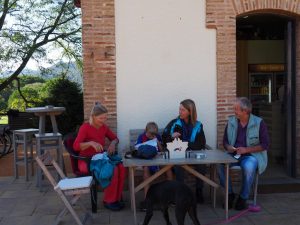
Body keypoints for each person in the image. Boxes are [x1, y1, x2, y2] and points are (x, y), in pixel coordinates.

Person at [218, 97, 269, 210]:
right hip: (233, 154)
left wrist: (246, 150)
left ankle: (243, 197)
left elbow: (265, 145)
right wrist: (229, 147)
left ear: (245, 111)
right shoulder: (231, 121)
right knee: (220, 164)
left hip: (251, 155)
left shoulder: (259, 123)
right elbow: (225, 141)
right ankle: (230, 195)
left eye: (236, 109)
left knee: (249, 167)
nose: (234, 111)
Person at [73, 102, 126, 211]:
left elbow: (115, 138)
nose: (103, 121)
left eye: (105, 118)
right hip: (86, 162)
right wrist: (90, 143)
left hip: (100, 159)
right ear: (93, 117)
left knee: (121, 166)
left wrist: (112, 143)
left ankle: (117, 198)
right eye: (100, 118)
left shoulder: (104, 127)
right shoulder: (85, 127)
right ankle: (109, 201)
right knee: (113, 169)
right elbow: (75, 146)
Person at [162, 99, 206, 203]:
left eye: (183, 110)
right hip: (178, 154)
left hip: (192, 154)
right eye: (179, 109)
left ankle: (199, 191)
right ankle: (180, 192)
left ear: (190, 112)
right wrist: (171, 137)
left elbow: (201, 144)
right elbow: (164, 139)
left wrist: (184, 144)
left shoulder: (198, 125)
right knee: (178, 165)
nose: (180, 112)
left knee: (201, 164)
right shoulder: (174, 123)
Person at [136, 122, 173, 211]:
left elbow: (162, 151)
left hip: (158, 160)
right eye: (150, 134)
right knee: (146, 169)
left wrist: (157, 142)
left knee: (168, 168)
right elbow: (137, 148)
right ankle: (147, 199)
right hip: (146, 160)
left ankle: (171, 196)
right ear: (146, 131)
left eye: (153, 134)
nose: (151, 136)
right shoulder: (141, 137)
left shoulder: (157, 137)